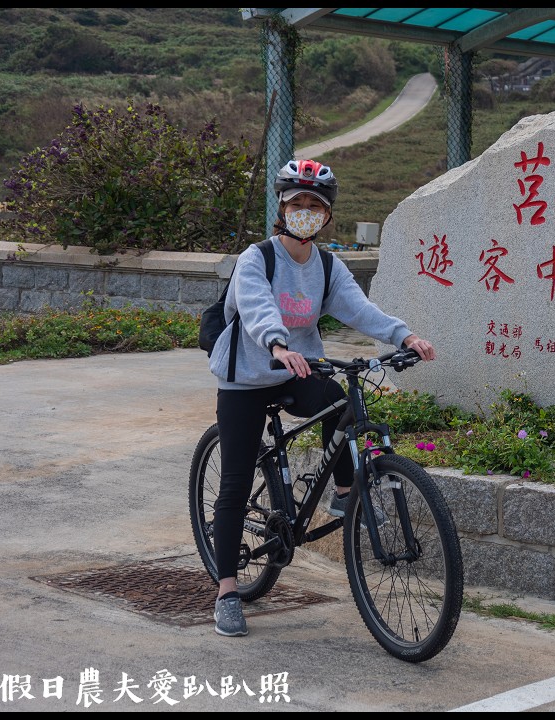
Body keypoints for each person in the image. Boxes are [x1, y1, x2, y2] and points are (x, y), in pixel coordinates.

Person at [207, 158, 436, 637]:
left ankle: (345, 493)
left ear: (327, 215)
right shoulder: (258, 259)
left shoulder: (328, 266)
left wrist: (404, 336)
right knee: (233, 483)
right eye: (297, 203)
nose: (305, 211)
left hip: (298, 368)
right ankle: (227, 590)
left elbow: (359, 308)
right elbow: (256, 307)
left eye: (315, 204)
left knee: (341, 401)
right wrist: (276, 344)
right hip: (249, 376)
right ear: (282, 207)